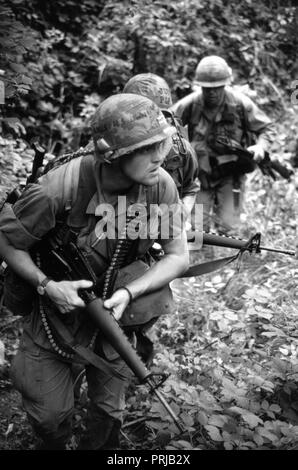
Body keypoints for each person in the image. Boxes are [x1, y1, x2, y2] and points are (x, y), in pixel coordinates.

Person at [0, 93, 189, 450]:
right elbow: (8, 241)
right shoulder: (58, 188)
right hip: (53, 319)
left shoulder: (159, 185)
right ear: (113, 155)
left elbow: (178, 256)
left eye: (161, 145)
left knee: (107, 415)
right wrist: (47, 285)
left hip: (115, 320)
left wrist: (129, 293)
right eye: (147, 149)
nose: (159, 157)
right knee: (50, 418)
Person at [171, 55, 274, 233]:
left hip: (230, 174)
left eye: (217, 87)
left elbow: (266, 128)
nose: (212, 92)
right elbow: (166, 124)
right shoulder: (191, 104)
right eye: (207, 88)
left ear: (225, 84)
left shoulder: (240, 103)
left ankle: (227, 258)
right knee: (197, 230)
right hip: (201, 176)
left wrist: (260, 147)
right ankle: (200, 258)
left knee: (229, 228)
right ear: (200, 86)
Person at [123, 73, 200, 229]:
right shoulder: (114, 147)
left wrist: (181, 217)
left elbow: (191, 188)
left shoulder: (180, 150)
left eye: (160, 116)